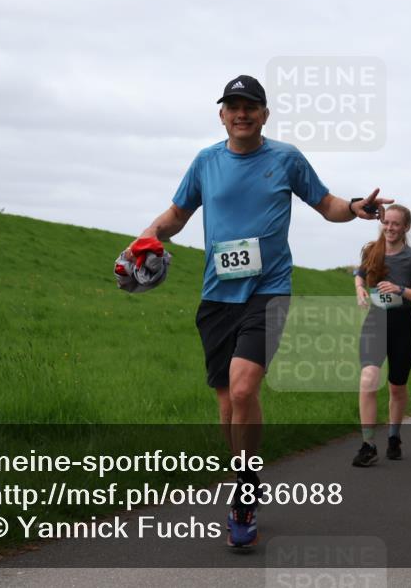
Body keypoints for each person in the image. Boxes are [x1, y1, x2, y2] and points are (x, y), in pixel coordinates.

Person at [122, 75, 390, 547]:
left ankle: (244, 493)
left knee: (245, 389)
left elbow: (326, 204)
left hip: (269, 292)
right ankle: (245, 479)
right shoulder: (206, 162)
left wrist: (355, 207)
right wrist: (145, 240)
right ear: (222, 115)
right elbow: (177, 215)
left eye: (251, 106)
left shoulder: (285, 159)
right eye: (233, 107)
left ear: (264, 114)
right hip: (216, 297)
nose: (241, 114)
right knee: (228, 408)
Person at [351, 205, 411, 466]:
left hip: (402, 324)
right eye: (386, 223)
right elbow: (360, 274)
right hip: (375, 321)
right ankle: (367, 444)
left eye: (396, 224)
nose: (390, 228)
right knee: (368, 379)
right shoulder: (371, 250)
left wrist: (400, 289)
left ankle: (394, 436)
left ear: (406, 227)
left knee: (396, 387)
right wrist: (360, 289)